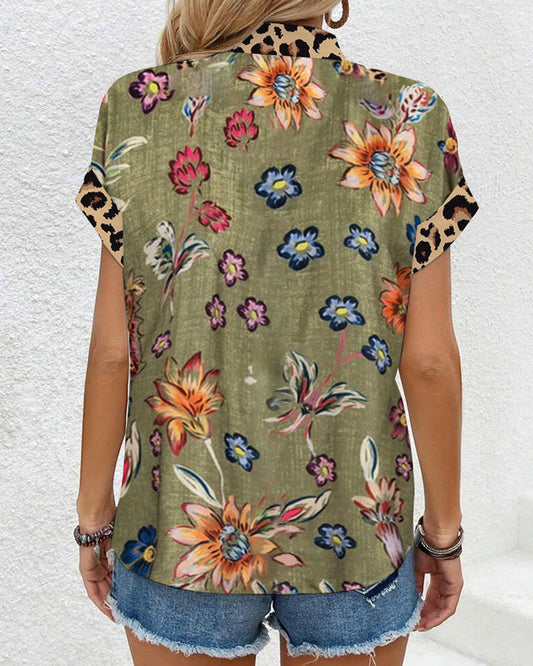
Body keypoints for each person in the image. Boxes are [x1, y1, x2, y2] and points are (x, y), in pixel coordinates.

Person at [74, 1, 479, 664]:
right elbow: (429, 363)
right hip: (357, 527)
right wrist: (442, 534)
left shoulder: (138, 105)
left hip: (177, 524)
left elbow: (113, 352)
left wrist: (93, 521)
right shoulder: (409, 116)